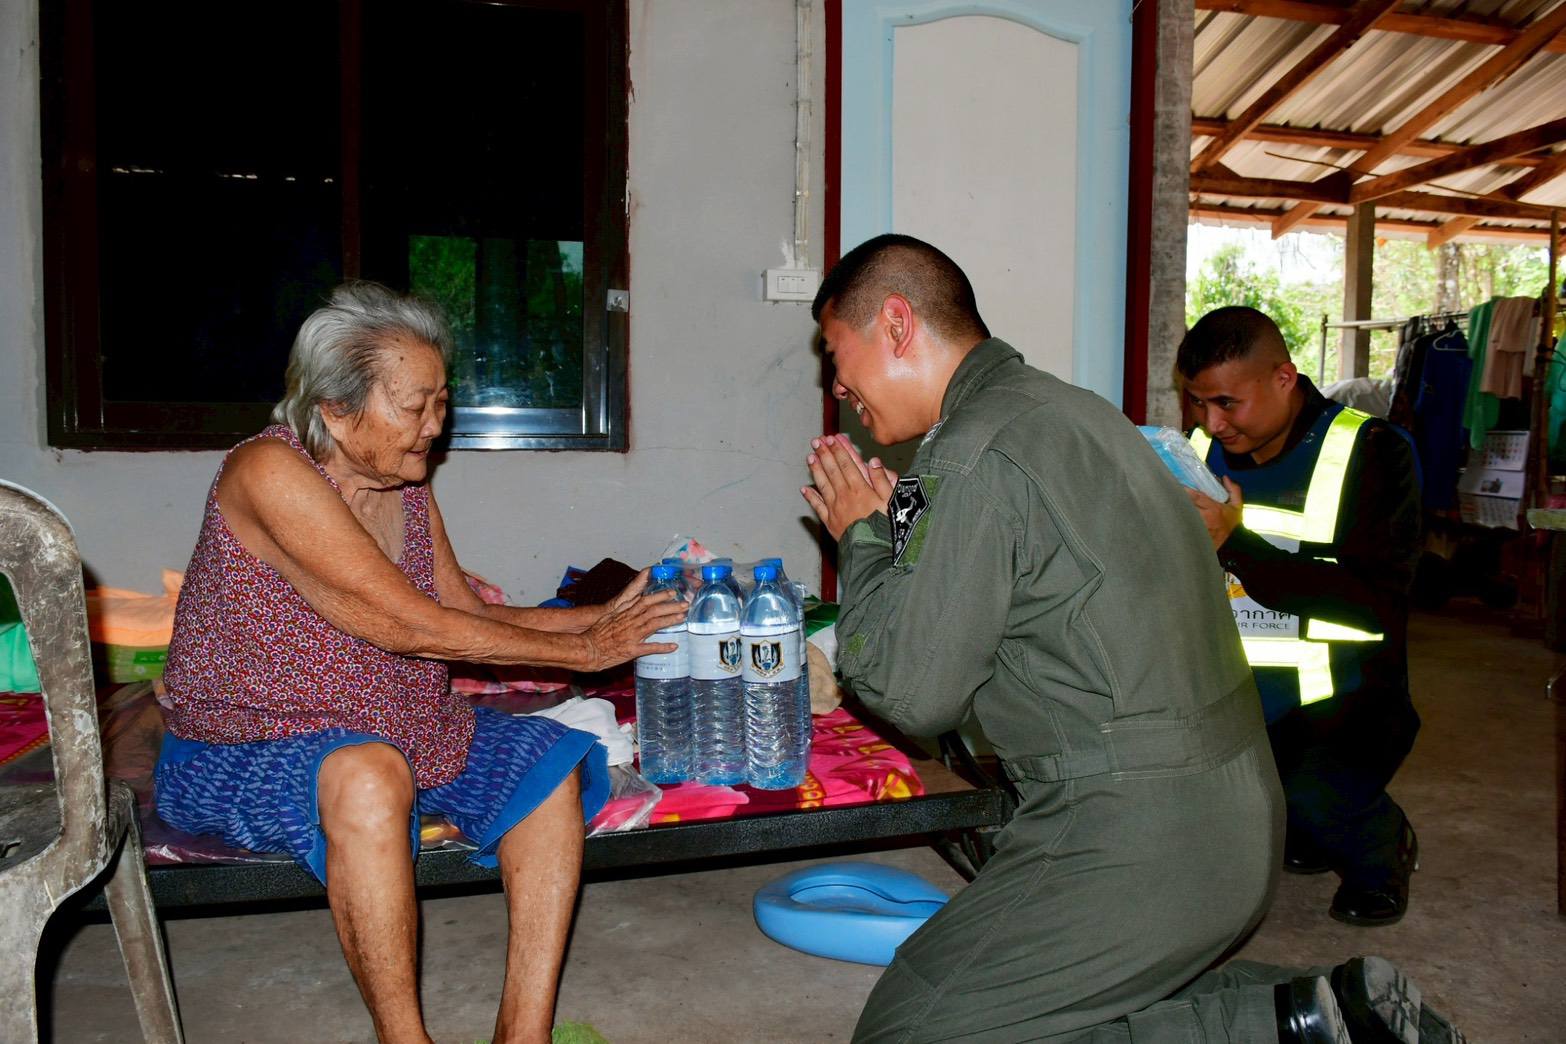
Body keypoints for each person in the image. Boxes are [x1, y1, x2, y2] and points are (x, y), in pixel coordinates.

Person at [802, 235, 1460, 1043]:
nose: (837, 384)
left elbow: (912, 692)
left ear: (896, 324)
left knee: (915, 1033)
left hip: (1136, 832)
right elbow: (995, 560)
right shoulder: (1068, 410)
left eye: (837, 352)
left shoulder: (973, 452)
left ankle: (1279, 1030)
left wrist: (862, 541)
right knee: (1012, 1004)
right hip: (1231, 812)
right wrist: (895, 524)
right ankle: (1324, 1010)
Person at [156, 282, 686, 1044]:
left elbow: (466, 614)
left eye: (442, 403)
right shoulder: (267, 473)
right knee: (369, 774)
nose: (435, 426)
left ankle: (523, 1034)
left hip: (408, 729)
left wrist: (607, 619)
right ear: (336, 410)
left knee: (551, 764)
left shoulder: (402, 484)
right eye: (415, 406)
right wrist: (584, 652)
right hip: (250, 747)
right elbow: (408, 625)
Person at [1178, 306, 1422, 928]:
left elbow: (1371, 607)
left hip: (1346, 693)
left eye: (1227, 403)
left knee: (1312, 795)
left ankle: (1382, 846)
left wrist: (1236, 542)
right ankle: (1307, 821)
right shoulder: (1198, 451)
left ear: (1284, 378)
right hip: (1233, 687)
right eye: (1199, 402)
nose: (1211, 423)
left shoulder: (1373, 452)